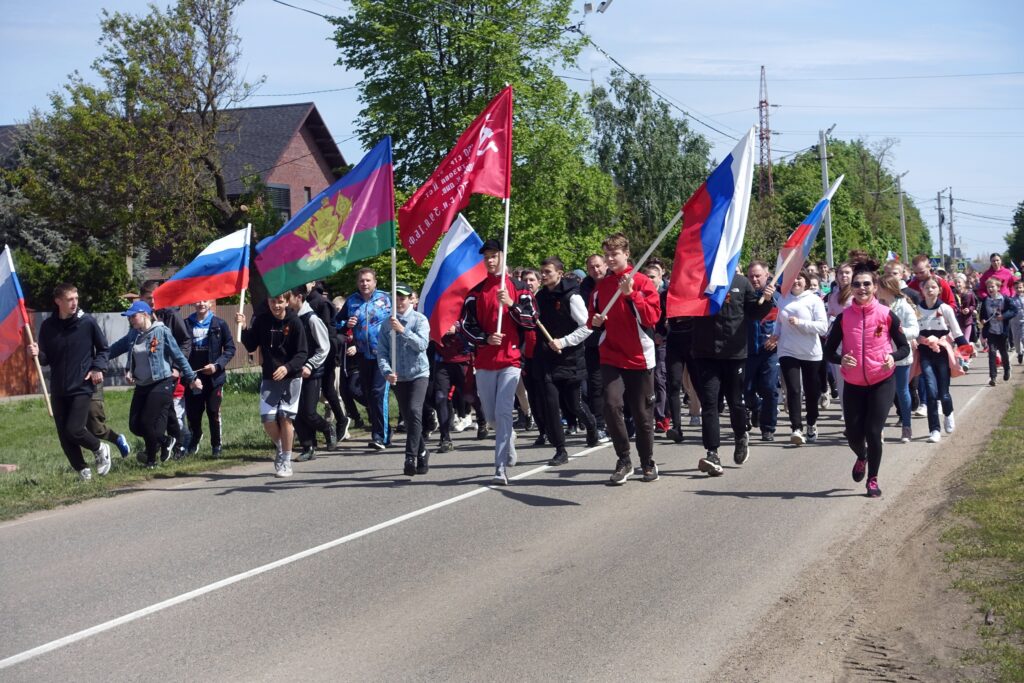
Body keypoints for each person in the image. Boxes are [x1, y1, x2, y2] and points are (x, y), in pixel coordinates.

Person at [823, 261, 910, 497]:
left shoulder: (886, 315)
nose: (862, 288)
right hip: (853, 383)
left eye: (866, 284)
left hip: (882, 380)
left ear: (874, 287)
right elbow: (828, 351)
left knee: (873, 432)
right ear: (851, 288)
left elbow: (904, 348)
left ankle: (873, 479)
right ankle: (861, 456)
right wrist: (842, 360)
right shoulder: (843, 318)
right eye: (857, 284)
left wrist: (892, 357)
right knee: (853, 434)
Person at [458, 239, 538, 485]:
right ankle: (508, 436)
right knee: (492, 418)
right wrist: (485, 338)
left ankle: (500, 466)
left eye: (494, 256)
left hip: (511, 360)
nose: (490, 261)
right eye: (487, 257)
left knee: (504, 411)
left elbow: (531, 320)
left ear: (503, 256)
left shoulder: (519, 288)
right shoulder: (477, 291)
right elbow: (465, 325)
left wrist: (512, 305)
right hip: (484, 361)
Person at [588, 233, 662, 484]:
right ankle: (624, 458)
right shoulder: (601, 286)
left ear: (626, 254)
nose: (609, 259)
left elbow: (652, 318)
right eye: (606, 254)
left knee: (643, 416)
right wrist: (595, 321)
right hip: (611, 354)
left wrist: (632, 295)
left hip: (639, 356)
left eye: (614, 254)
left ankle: (647, 461)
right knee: (610, 404)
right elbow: (593, 318)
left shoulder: (641, 281)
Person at [691, 269, 776, 476]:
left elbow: (755, 313)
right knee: (710, 403)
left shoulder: (741, 282)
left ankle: (740, 436)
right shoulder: (699, 281)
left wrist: (766, 299)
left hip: (735, 353)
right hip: (706, 353)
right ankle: (712, 452)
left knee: (735, 402)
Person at [29, 283, 112, 481]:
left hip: (81, 385)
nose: (74, 303)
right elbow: (45, 359)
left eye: (76, 298)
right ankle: (82, 470)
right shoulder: (49, 326)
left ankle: (100, 448)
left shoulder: (87, 323)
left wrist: (97, 367)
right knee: (64, 435)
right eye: (70, 299)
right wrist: (35, 353)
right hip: (58, 387)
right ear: (58, 301)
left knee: (74, 429)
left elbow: (103, 349)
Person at [536, 256, 605, 466]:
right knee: (551, 404)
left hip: (570, 358)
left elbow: (586, 327)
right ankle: (560, 449)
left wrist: (564, 342)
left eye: (548, 271)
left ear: (559, 272)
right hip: (548, 359)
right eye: (543, 272)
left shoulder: (572, 296)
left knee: (574, 404)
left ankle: (591, 425)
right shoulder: (539, 297)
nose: (544, 275)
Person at [121, 301, 202, 468]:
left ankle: (151, 460)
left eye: (133, 316)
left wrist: (192, 378)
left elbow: (179, 356)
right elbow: (134, 359)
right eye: (129, 318)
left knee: (146, 422)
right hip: (142, 385)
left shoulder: (161, 331)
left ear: (145, 314)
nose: (131, 320)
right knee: (135, 425)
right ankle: (166, 441)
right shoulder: (136, 336)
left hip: (160, 383)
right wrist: (130, 372)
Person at [237, 294, 308, 477]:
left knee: (285, 418)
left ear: (286, 302)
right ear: (267, 302)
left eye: (279, 302)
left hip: (291, 378)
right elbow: (251, 345)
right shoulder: (262, 320)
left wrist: (287, 367)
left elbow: (302, 353)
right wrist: (244, 327)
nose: (276, 305)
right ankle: (282, 446)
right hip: (269, 377)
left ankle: (286, 460)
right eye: (272, 302)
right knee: (268, 419)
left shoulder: (295, 322)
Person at [378, 282, 431, 476]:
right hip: (398, 377)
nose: (399, 302)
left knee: (414, 410)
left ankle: (410, 456)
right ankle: (423, 451)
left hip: (418, 374)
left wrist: (403, 330)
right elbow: (382, 352)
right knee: (409, 419)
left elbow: (423, 345)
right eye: (395, 298)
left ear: (410, 300)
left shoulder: (419, 320)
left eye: (402, 298)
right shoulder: (386, 323)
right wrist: (386, 371)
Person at [339, 268, 392, 450]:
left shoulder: (385, 299)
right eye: (361, 281)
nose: (365, 284)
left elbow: (401, 315)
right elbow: (336, 323)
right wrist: (346, 324)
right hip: (362, 354)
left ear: (375, 282)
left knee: (379, 393)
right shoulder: (352, 301)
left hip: (383, 354)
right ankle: (383, 430)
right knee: (369, 394)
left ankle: (381, 436)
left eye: (368, 280)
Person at [773, 270, 828, 445]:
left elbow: (823, 327)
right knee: (794, 390)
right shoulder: (783, 298)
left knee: (812, 392)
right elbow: (779, 322)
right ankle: (796, 428)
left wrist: (801, 323)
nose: (796, 281)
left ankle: (811, 422)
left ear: (805, 281)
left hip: (811, 353)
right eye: (793, 278)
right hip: (787, 351)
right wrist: (775, 335)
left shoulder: (814, 300)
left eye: (800, 278)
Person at [139, 280, 193, 454]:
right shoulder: (139, 317)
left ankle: (162, 447)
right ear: (141, 299)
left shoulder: (170, 314)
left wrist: (177, 367)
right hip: (149, 374)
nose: (152, 302)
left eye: (155, 297)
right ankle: (178, 443)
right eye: (148, 298)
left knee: (163, 412)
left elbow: (185, 341)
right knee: (168, 411)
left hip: (168, 372)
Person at [915, 275, 969, 442]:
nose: (930, 290)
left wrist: (965, 353)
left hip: (942, 353)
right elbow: (913, 331)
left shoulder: (945, 309)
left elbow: (957, 332)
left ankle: (948, 413)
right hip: (925, 353)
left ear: (939, 290)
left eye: (933, 287)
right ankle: (934, 430)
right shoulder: (918, 309)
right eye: (926, 287)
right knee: (931, 392)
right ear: (922, 290)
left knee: (943, 394)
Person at [183, 299, 235, 457]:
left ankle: (216, 445)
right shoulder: (186, 324)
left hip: (214, 379)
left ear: (210, 303)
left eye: (204, 300)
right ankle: (195, 436)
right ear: (192, 303)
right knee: (193, 413)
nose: (201, 303)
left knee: (213, 411)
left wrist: (217, 365)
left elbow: (230, 348)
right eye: (197, 300)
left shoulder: (219, 324)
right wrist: (188, 375)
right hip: (193, 378)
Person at [287, 285, 333, 462]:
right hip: (293, 372)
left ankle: (328, 428)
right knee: (295, 412)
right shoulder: (289, 319)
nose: (284, 303)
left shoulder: (312, 318)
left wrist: (310, 365)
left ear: (298, 297)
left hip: (311, 373)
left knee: (309, 412)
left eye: (288, 298)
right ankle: (308, 446)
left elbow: (324, 347)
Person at [875, 276, 920, 443]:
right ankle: (878, 429)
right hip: (881, 357)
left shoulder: (904, 306)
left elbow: (914, 330)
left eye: (879, 287)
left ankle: (906, 427)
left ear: (888, 288)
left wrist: (895, 332)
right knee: (881, 395)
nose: (876, 290)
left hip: (900, 356)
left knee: (902, 392)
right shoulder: (876, 305)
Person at [745, 260, 781, 442]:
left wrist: (777, 338)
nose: (754, 279)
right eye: (751, 276)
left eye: (758, 275)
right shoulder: (746, 295)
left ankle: (768, 428)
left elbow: (786, 318)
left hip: (769, 350)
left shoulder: (778, 295)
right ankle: (757, 408)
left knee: (768, 388)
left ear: (767, 276)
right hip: (748, 350)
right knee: (747, 390)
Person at [580, 253, 608, 435]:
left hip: (614, 340)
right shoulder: (584, 288)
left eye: (598, 266)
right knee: (595, 384)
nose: (595, 270)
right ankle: (600, 423)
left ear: (605, 265)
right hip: (593, 342)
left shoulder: (614, 283)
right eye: (591, 267)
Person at [980, 276, 1018, 386]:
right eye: (988, 287)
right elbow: (982, 314)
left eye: (992, 286)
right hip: (991, 331)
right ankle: (993, 377)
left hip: (1002, 331)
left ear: (998, 287)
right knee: (991, 353)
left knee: (1003, 352)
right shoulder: (985, 300)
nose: (990, 289)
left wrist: (1004, 316)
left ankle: (1007, 369)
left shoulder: (1005, 299)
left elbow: (1014, 311)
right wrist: (982, 320)